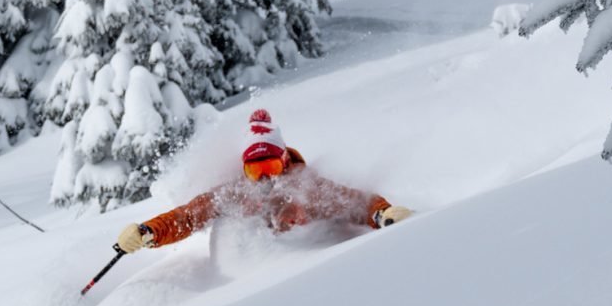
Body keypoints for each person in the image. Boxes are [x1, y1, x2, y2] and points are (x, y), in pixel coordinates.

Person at [116, 109, 414, 253]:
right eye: (255, 171)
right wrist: (148, 232)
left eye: (271, 166)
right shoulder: (235, 194)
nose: (266, 178)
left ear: (285, 161)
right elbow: (188, 216)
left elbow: (356, 203)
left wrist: (382, 213)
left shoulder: (308, 188)